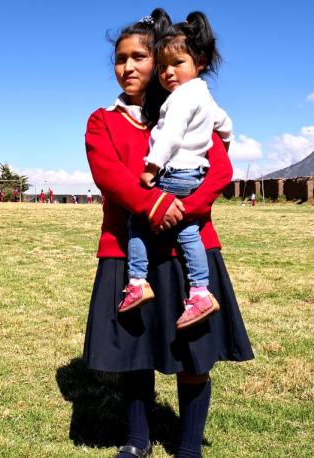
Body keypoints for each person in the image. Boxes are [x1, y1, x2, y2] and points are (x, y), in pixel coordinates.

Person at [83, 9, 253, 458]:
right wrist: (154, 204)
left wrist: (184, 211)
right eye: (121, 59)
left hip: (187, 247)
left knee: (193, 350)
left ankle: (190, 446)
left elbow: (220, 170)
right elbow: (110, 176)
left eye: (140, 56)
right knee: (135, 352)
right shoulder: (103, 120)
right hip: (128, 248)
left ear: (158, 61)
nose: (129, 67)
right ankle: (137, 441)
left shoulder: (189, 112)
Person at [121, 12, 233, 330]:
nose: (168, 73)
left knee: (139, 221)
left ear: (199, 62)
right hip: (195, 174)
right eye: (163, 67)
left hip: (175, 172)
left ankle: (137, 281)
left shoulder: (182, 97)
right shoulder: (204, 95)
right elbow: (226, 125)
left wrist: (151, 166)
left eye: (176, 64)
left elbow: (169, 136)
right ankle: (199, 291)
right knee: (187, 231)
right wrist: (222, 146)